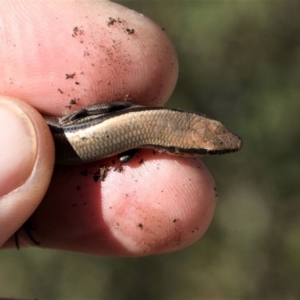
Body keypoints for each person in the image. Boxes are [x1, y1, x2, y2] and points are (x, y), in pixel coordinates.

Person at [0, 0, 216, 256]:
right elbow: (124, 154)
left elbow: (109, 111)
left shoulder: (136, 113)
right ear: (176, 148)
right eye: (209, 150)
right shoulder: (136, 138)